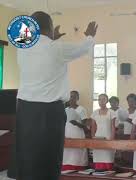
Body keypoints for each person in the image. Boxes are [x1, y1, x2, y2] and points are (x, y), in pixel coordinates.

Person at [16, 11, 97, 180]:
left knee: (28, 153)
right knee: (49, 156)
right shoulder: (57, 48)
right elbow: (83, 48)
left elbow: (41, 51)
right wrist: (89, 36)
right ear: (50, 27)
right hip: (49, 111)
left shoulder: (22, 45)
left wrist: (51, 38)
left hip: (25, 109)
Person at [90, 94, 116, 171]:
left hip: (108, 137)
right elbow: (93, 127)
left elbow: (113, 126)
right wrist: (93, 138)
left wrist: (112, 139)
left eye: (103, 99)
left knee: (108, 157)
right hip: (97, 137)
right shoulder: (94, 112)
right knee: (98, 157)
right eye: (99, 99)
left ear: (107, 101)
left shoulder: (111, 112)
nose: (101, 101)